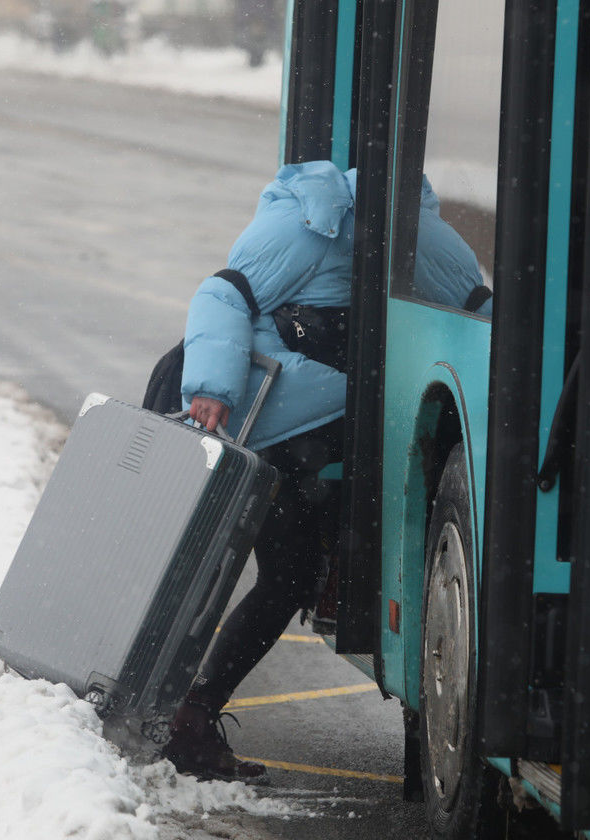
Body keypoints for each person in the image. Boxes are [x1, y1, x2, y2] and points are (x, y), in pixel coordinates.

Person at [161, 160, 488, 782]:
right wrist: (211, 386)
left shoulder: (413, 234)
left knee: (283, 573)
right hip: (278, 430)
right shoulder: (308, 227)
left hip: (311, 435)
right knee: (283, 574)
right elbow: (223, 293)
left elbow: (475, 303)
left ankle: (188, 712)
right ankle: (187, 715)